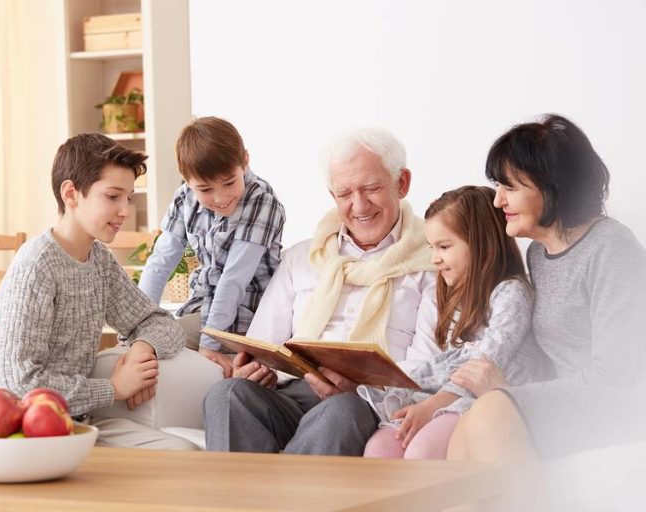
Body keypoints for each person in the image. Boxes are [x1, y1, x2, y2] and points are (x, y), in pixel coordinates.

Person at [203, 128, 441, 455]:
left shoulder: (432, 261)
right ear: (333, 196)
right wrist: (253, 369)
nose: (359, 205)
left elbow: (428, 368)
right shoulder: (304, 256)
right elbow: (264, 344)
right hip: (291, 393)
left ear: (401, 183)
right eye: (345, 194)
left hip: (365, 402)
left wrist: (362, 389)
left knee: (343, 410)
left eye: (371, 188)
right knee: (227, 394)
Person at [0, 133, 195, 450]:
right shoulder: (36, 265)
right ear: (71, 193)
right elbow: (19, 383)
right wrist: (113, 388)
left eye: (128, 197)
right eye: (113, 197)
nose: (125, 210)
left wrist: (143, 348)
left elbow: (159, 321)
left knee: (181, 452)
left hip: (71, 421)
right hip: (9, 429)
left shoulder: (99, 261)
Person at [446, 114, 646, 465]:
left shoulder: (611, 246)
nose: (498, 202)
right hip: (569, 405)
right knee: (467, 425)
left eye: (509, 188)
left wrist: (511, 394)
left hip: (620, 403)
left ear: (551, 187)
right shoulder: (538, 253)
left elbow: (616, 372)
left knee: (494, 409)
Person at [360, 186, 546, 460]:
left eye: (444, 247)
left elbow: (488, 361)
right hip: (446, 394)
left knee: (422, 451)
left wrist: (432, 406)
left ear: (481, 243)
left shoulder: (512, 293)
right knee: (378, 450)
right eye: (432, 248)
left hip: (482, 396)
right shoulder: (454, 295)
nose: (435, 258)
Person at [138, 116, 285, 377]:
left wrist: (209, 344)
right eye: (205, 189)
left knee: (154, 347)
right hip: (199, 308)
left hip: (244, 316)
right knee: (141, 345)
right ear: (187, 179)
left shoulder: (261, 200)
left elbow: (233, 280)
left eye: (230, 183)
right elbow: (160, 262)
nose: (220, 198)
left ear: (245, 161)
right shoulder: (185, 197)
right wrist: (137, 325)